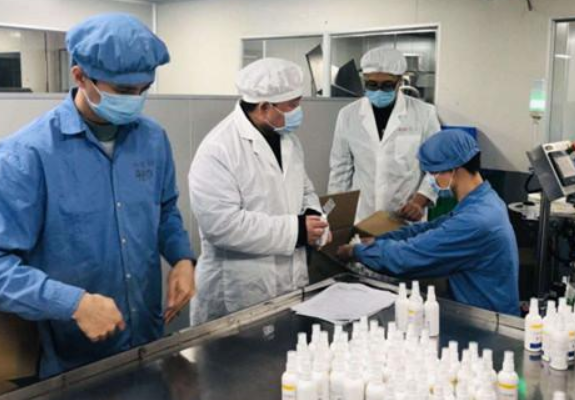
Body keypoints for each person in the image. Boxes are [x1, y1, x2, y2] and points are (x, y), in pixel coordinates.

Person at [0, 14, 196, 378]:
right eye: (123, 91)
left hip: (148, 343)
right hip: (75, 364)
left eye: (144, 89)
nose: (135, 101)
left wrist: (182, 258)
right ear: (79, 76)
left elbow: (166, 210)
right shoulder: (28, 156)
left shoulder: (152, 140)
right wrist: (73, 303)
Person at [188, 58, 329, 325]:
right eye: (292, 105)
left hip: (289, 281)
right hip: (239, 290)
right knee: (238, 351)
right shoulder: (219, 149)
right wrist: (298, 230)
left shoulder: (288, 140)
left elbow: (305, 189)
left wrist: (313, 213)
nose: (298, 111)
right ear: (264, 107)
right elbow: (221, 225)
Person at [337, 129, 520, 315]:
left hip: (487, 320)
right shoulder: (485, 200)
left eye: (433, 173)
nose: (431, 180)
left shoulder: (475, 220)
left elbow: (407, 258)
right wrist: (379, 240)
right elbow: (430, 228)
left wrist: (356, 252)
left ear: (454, 169)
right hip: (482, 306)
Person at [327, 46, 441, 223]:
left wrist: (420, 200)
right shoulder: (348, 115)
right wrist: (335, 217)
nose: (379, 91)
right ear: (364, 80)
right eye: (371, 85)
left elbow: (438, 166)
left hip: (405, 217)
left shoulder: (424, 114)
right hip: (362, 217)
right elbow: (340, 170)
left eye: (387, 85)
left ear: (400, 81)